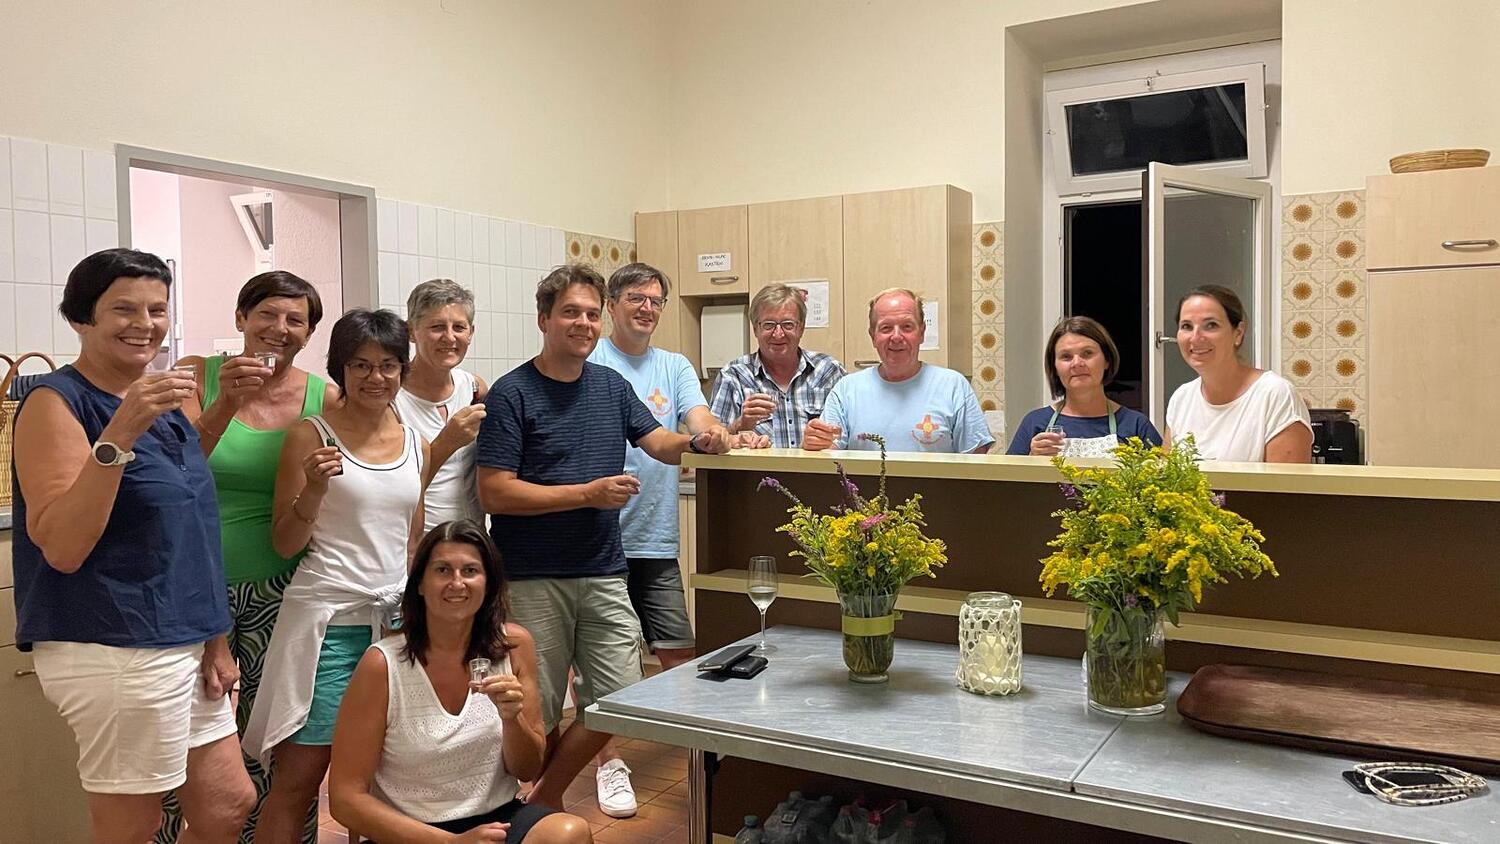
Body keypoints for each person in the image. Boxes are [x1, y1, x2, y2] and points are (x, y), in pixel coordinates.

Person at [10, 248, 255, 843]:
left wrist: (214, 639)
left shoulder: (157, 400)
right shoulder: (55, 403)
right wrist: (120, 430)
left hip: (181, 633)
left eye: (157, 309)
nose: (144, 323)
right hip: (114, 640)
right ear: (81, 318)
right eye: (124, 309)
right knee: (132, 825)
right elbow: (63, 545)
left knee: (227, 803)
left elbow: (186, 522)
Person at [475, 264, 732, 811]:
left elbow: (657, 441)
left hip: (602, 569)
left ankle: (542, 800)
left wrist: (699, 442)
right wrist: (586, 494)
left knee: (623, 695)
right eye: (571, 312)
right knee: (541, 708)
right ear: (544, 319)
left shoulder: (611, 387)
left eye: (591, 314)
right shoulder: (512, 393)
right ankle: (541, 812)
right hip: (532, 575)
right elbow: (495, 491)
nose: (584, 323)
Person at [152, 271, 335, 844]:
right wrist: (226, 403)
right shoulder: (195, 377)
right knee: (174, 739)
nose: (280, 328)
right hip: (188, 588)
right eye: (267, 314)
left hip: (284, 590)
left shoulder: (323, 397)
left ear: (309, 334)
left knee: (277, 740)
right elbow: (170, 469)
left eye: (296, 320)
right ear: (240, 318)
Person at [245, 309, 437, 843]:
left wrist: (419, 623)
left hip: (395, 628)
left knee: (380, 782)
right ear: (340, 369)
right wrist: (313, 489)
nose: (376, 377)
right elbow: (285, 542)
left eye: (388, 365)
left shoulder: (415, 443)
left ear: (403, 369)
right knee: (298, 781)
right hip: (329, 629)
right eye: (361, 365)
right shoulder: (311, 436)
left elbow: (412, 543)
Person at [587, 262, 754, 817]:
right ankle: (610, 763)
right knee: (602, 661)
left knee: (679, 652)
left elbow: (699, 418)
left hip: (654, 537)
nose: (648, 308)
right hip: (595, 539)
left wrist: (716, 434)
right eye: (637, 298)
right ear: (612, 305)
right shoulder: (591, 360)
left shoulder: (674, 365)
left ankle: (699, 759)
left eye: (656, 300)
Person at [328, 520, 592, 843]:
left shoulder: (514, 645)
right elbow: (345, 798)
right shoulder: (382, 665)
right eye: (442, 570)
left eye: (470, 571)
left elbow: (527, 769)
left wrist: (513, 719)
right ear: (420, 583)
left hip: (497, 819)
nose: (457, 583)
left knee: (569, 833)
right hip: (410, 831)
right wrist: (451, 842)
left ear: (488, 583)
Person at [803, 288, 993, 454]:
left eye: (907, 327)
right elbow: (828, 456)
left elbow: (976, 460)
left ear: (922, 332)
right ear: (873, 336)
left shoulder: (953, 386)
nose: (896, 336)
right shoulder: (846, 390)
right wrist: (815, 442)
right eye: (886, 328)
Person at [1164, 285, 1313, 463]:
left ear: (1238, 333)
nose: (1195, 337)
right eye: (1186, 326)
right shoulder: (1181, 399)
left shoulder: (1275, 395)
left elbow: (1287, 480)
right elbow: (1167, 475)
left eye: (1211, 325)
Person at [395, 278, 489, 531]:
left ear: (471, 333)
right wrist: (446, 442)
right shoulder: (392, 399)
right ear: (411, 331)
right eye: (437, 327)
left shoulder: (474, 388)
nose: (449, 337)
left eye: (459, 327)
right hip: (419, 541)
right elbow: (389, 490)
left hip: (471, 537)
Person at [710, 283, 844, 448]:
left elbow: (849, 435)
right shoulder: (733, 376)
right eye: (769, 325)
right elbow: (713, 443)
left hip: (820, 466)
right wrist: (740, 424)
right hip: (756, 466)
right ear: (755, 329)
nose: (778, 334)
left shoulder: (829, 371)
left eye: (788, 324)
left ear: (801, 328)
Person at [1007, 316, 1162, 457]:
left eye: (1087, 353)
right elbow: (1006, 479)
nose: (1077, 363)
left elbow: (1164, 477)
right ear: (1055, 367)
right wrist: (1032, 459)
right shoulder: (1035, 422)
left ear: (1107, 360)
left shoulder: (1136, 425)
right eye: (1066, 357)